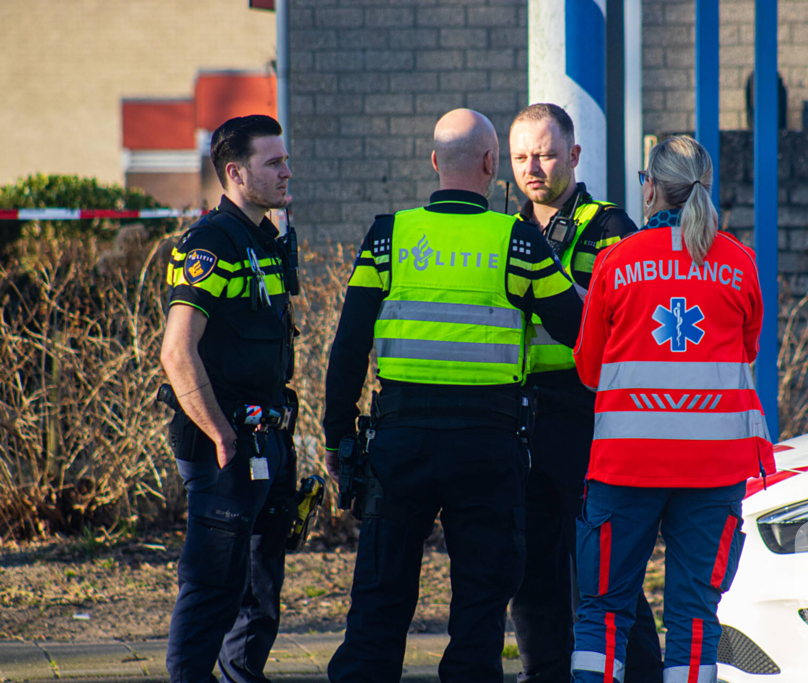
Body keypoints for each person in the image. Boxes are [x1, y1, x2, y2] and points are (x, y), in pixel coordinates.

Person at [322, 108, 585, 683]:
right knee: (480, 610)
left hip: (399, 444)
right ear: (493, 165)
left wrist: (337, 437)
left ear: (436, 162)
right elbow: (576, 327)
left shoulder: (388, 236)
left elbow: (347, 348)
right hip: (487, 449)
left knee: (378, 601)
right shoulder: (515, 239)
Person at [570, 136, 776, 683]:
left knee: (602, 613)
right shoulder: (739, 262)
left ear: (654, 188)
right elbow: (746, 352)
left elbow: (589, 370)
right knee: (694, 619)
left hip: (626, 466)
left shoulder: (616, 262)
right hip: (714, 471)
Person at [506, 103, 663, 683]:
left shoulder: (610, 226)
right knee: (530, 563)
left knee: (601, 564)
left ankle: (641, 670)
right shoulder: (507, 229)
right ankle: (542, 672)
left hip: (587, 414)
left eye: (545, 154)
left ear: (573, 155)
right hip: (523, 413)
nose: (534, 167)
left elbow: (624, 315)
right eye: (522, 157)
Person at [160, 114, 298, 683]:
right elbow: (177, 352)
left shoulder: (266, 238)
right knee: (213, 586)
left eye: (285, 159)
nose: (287, 171)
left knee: (261, 589)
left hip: (267, 440)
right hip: (224, 447)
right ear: (236, 173)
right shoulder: (210, 244)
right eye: (274, 163)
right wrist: (220, 433)